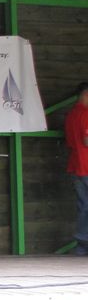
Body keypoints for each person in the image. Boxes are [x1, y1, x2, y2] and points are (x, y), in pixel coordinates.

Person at [65, 81, 88, 256]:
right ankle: (83, 241)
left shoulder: (71, 114)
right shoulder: (86, 114)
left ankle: (81, 246)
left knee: (83, 205)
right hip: (86, 165)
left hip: (75, 165)